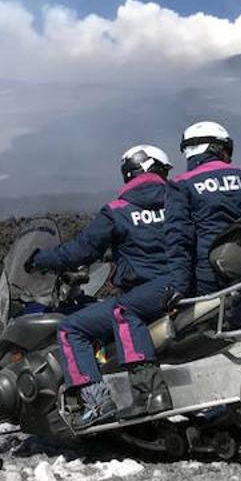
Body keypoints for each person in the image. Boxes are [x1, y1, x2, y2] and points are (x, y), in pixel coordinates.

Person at [28, 145, 176, 428]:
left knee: (72, 329)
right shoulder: (180, 205)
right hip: (182, 288)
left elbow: (79, 252)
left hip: (143, 298)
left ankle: (98, 403)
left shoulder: (117, 211)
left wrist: (41, 260)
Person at [165, 121, 241, 298]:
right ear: (219, 148)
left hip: (209, 274)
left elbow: (179, 238)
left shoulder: (181, 185)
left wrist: (178, 287)